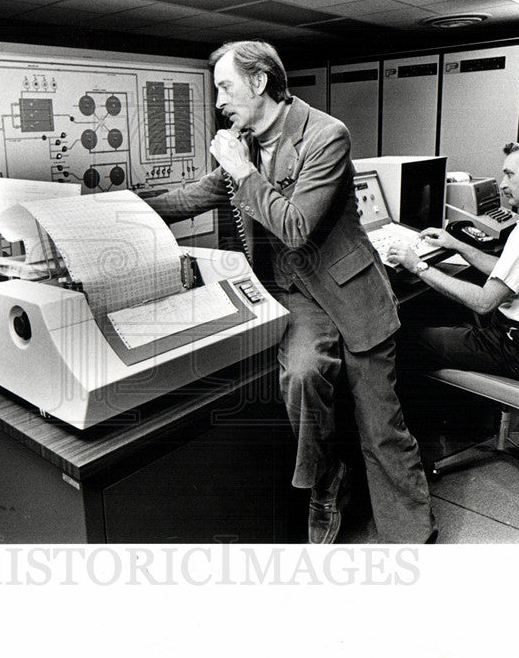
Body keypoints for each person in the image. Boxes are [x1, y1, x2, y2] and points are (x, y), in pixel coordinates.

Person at [146, 40, 436, 544]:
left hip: (354, 293)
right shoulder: (247, 145)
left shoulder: (326, 135)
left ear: (259, 83)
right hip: (296, 295)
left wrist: (241, 170)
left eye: (224, 87)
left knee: (381, 428)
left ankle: (412, 539)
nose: (218, 101)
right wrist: (108, 207)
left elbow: (297, 226)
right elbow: (193, 195)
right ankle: (325, 484)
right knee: (301, 374)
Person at [387, 139, 519, 380]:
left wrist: (417, 265)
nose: (502, 185)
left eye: (509, 174)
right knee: (447, 313)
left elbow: (484, 302)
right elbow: (509, 272)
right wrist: (457, 245)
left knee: (408, 341)